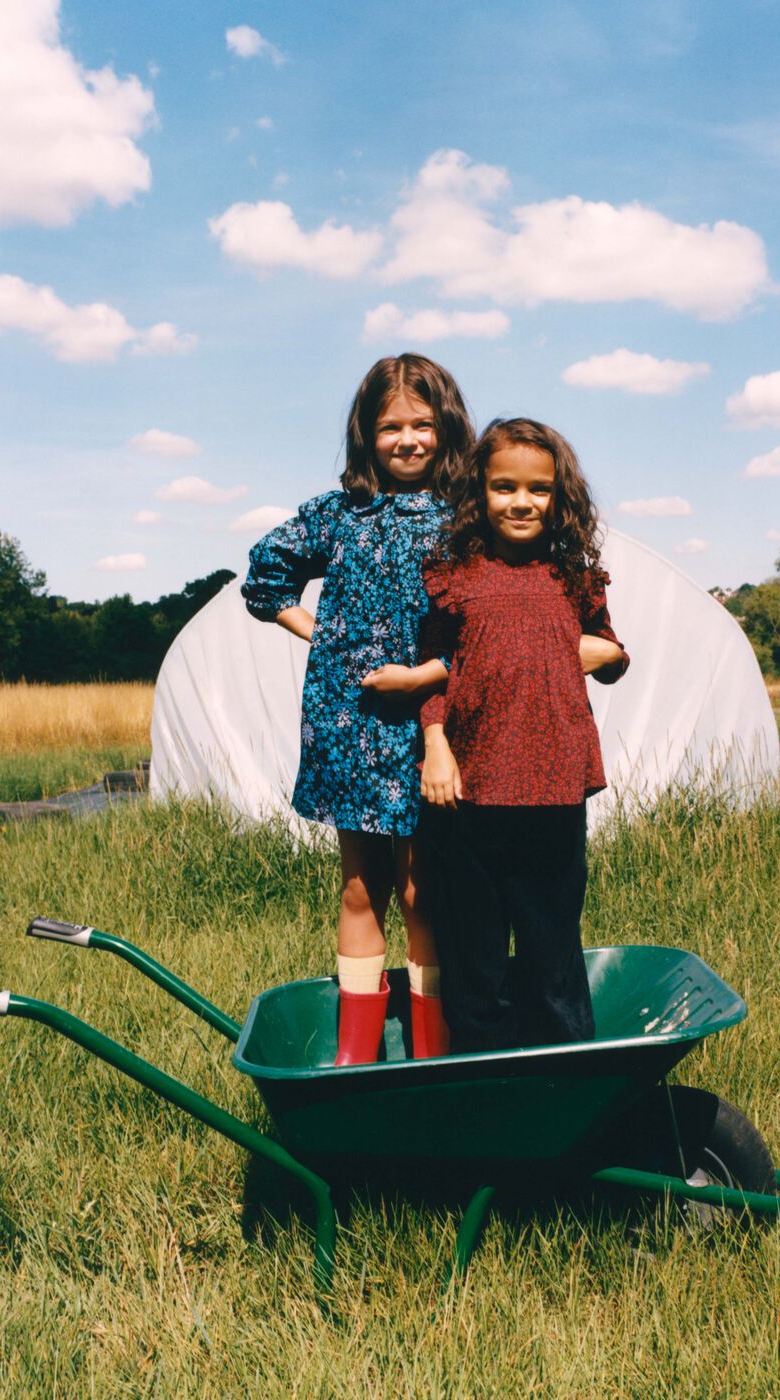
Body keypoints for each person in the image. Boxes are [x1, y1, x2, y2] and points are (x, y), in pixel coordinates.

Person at [241, 355, 474, 1065]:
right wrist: (321, 635)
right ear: (365, 435)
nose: (407, 440)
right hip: (348, 723)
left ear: (448, 428)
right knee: (358, 885)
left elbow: (484, 624)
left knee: (421, 887)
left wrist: (424, 678)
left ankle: (433, 1054)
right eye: (390, 427)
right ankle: (355, 1056)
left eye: (422, 425)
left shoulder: (466, 518)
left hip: (432, 719)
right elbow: (265, 574)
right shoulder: (340, 513)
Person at [369, 418, 628, 1053]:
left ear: (559, 495)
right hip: (467, 797)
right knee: (474, 965)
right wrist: (436, 744)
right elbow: (433, 670)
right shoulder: (455, 574)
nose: (521, 502)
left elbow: (613, 654)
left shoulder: (574, 578)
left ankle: (565, 1085)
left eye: (538, 490)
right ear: (479, 492)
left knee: (553, 963)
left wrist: (604, 653)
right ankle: (485, 1087)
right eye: (503, 487)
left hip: (552, 791)